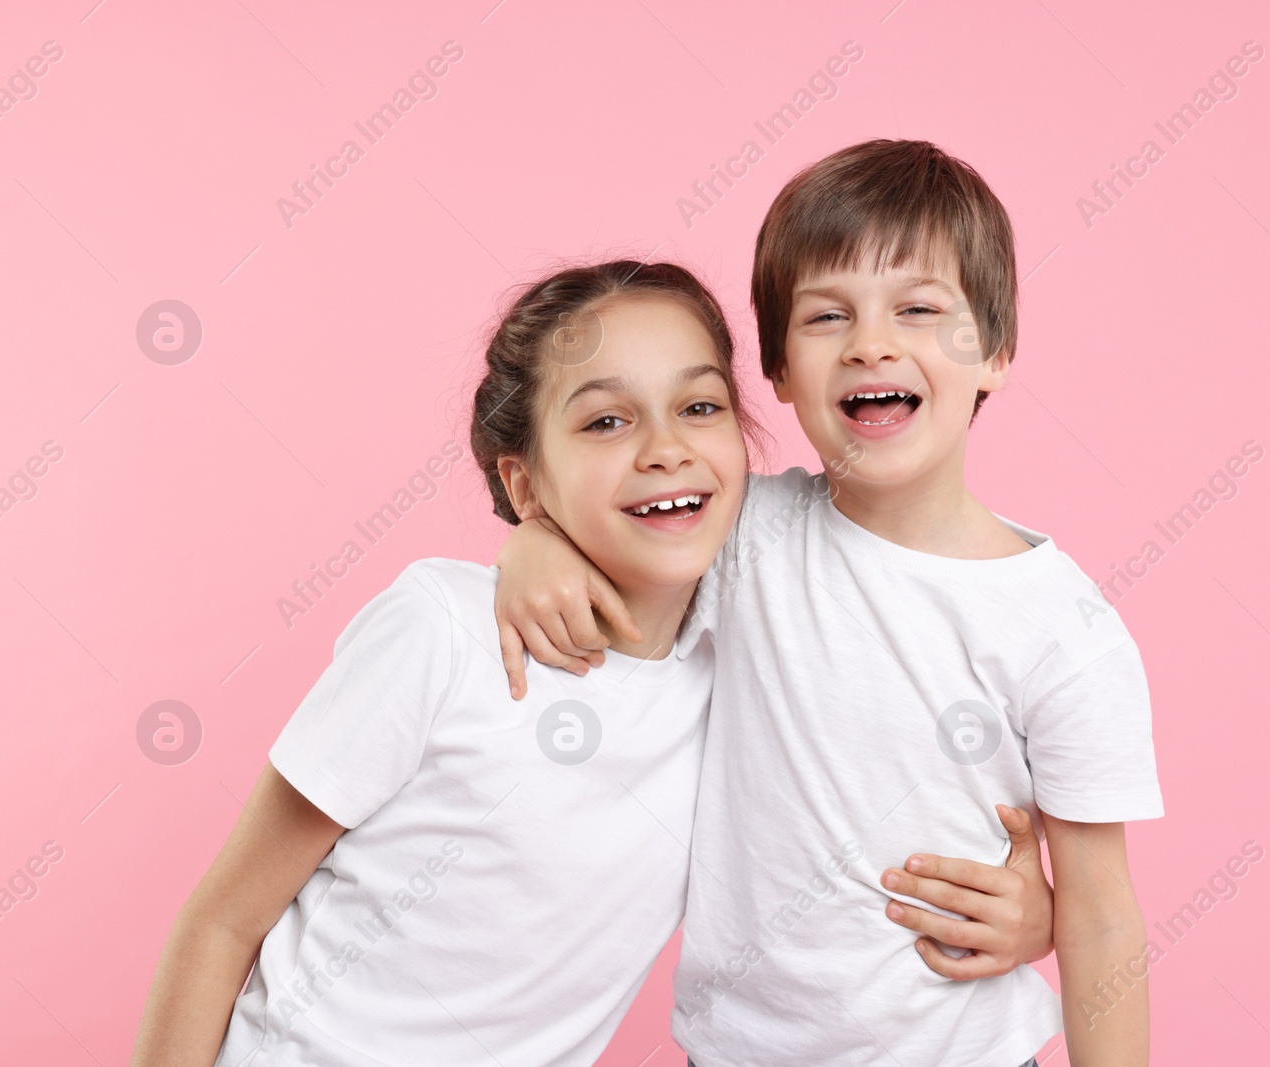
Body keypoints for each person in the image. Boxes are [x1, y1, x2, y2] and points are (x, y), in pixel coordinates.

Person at [131, 259, 1049, 1067]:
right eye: (606, 421)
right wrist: (526, 542)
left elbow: (845, 847)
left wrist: (1037, 920)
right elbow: (221, 921)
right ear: (523, 481)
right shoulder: (442, 631)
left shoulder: (751, 662)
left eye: (699, 406)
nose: (663, 447)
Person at [491, 141, 1164, 1066]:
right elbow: (613, 523)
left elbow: (1102, 913)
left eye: (919, 309)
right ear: (774, 374)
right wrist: (530, 541)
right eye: (827, 315)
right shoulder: (741, 536)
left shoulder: (1063, 628)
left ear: (997, 352)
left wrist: (1044, 919)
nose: (871, 343)